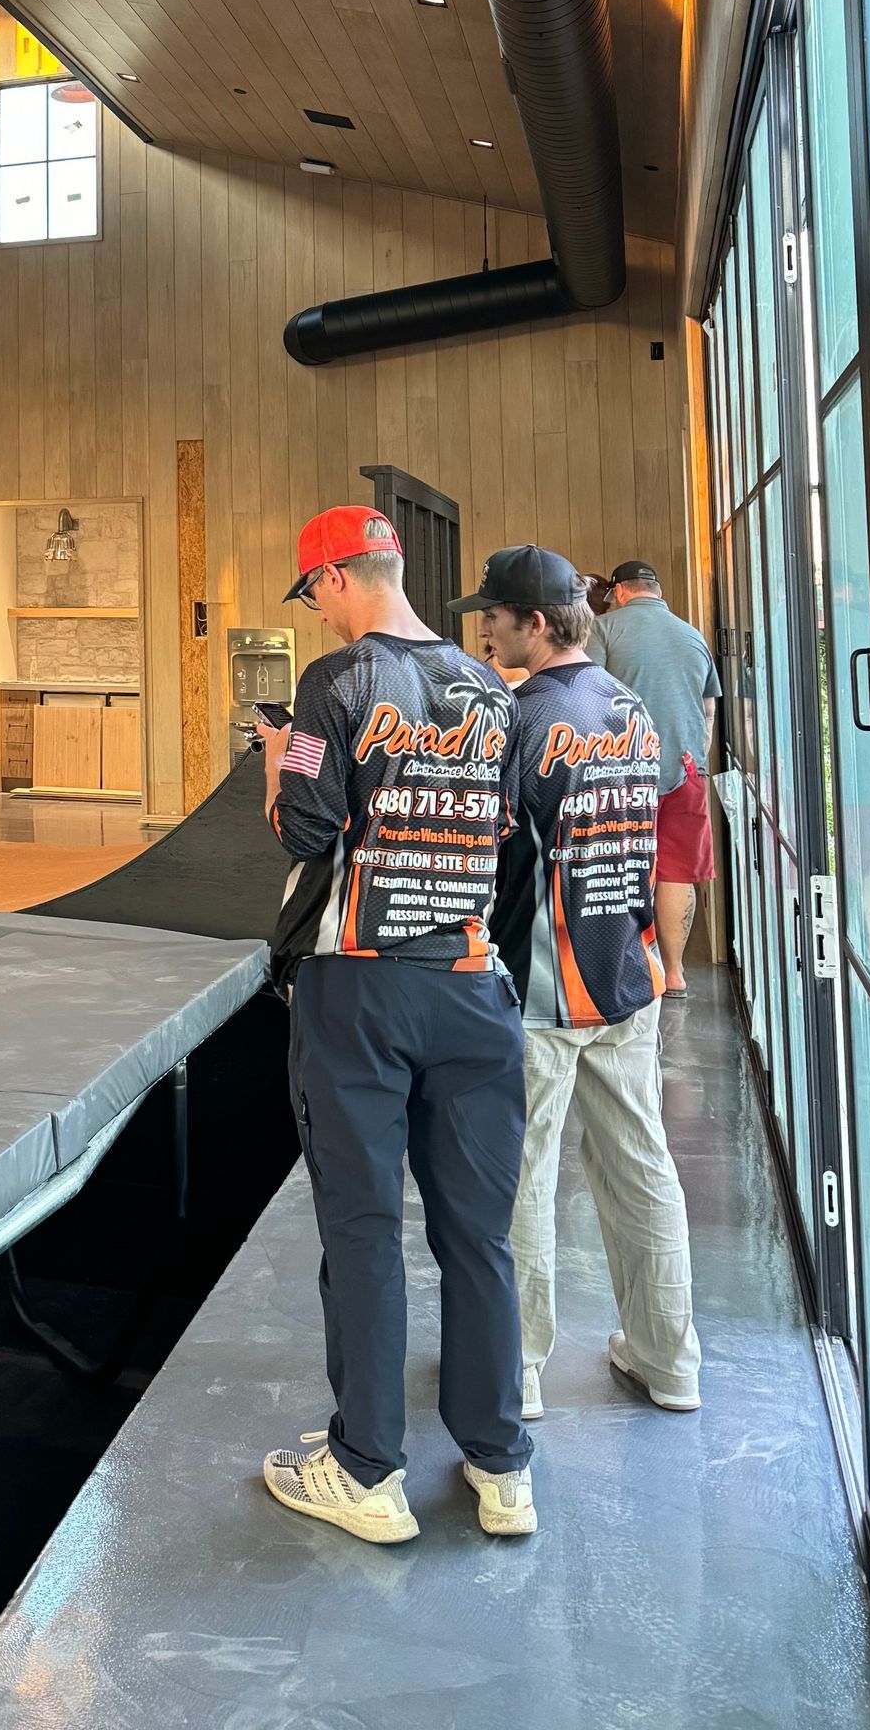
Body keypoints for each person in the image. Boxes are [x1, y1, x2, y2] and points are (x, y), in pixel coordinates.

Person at [258, 505, 535, 1544]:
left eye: (314, 593)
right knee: (478, 1235)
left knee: (365, 1228)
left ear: (332, 579)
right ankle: (501, 1465)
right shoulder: (490, 689)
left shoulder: (335, 683)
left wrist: (279, 757)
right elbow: (504, 830)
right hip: (471, 983)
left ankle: (367, 1467)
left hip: (361, 989)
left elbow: (308, 825)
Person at [461, 548, 701, 1420]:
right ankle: (669, 1358)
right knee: (641, 1167)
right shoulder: (630, 706)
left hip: (540, 988)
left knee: (520, 1177)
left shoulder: (516, 718)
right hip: (624, 976)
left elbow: (484, 849)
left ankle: (516, 1369)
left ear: (534, 622)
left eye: (493, 615)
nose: (483, 629)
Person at [589, 561, 721, 993]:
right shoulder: (692, 635)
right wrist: (691, 758)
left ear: (620, 591)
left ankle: (629, 968)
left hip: (623, 768)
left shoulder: (606, 629)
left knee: (619, 865)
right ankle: (676, 972)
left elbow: (586, 694)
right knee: (677, 871)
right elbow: (708, 711)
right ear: (657, 591)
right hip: (686, 768)